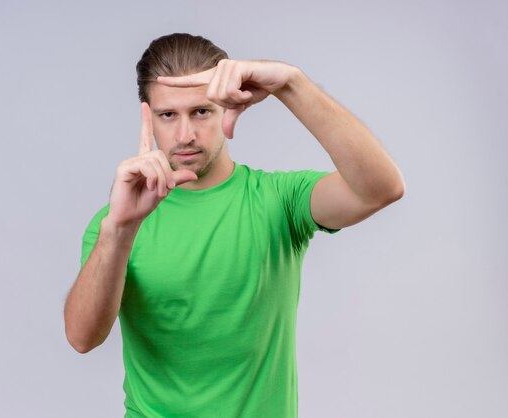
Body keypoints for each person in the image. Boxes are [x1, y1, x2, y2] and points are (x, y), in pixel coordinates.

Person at [64, 33, 405, 417]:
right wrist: (120, 229)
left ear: (226, 109)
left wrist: (291, 84)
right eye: (168, 115)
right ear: (148, 117)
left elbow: (381, 189)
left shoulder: (278, 200)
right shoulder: (115, 221)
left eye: (201, 112)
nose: (185, 135)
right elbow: (82, 338)